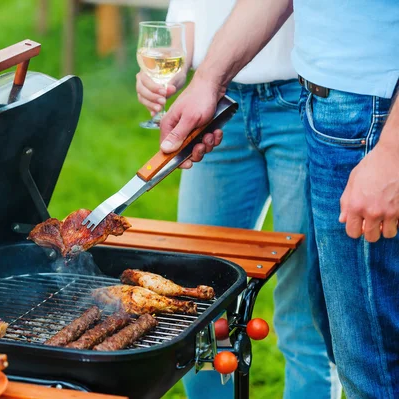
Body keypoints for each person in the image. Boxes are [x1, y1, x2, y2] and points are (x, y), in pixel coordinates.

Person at [153, 0, 399, 397]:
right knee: (343, 339)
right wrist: (205, 79)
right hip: (306, 102)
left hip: (354, 108)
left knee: (356, 349)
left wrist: (392, 153)